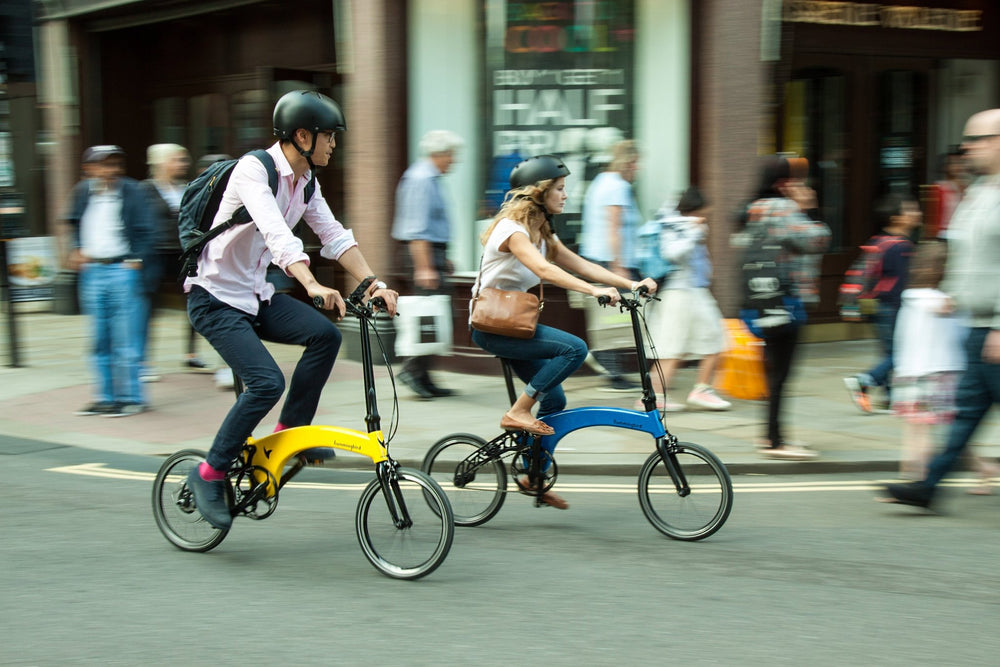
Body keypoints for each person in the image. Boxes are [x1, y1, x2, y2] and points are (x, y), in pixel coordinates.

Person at [183, 90, 399, 530]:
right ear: (302, 136)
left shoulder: (306, 182)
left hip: (255, 295)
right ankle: (209, 472)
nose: (334, 144)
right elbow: (277, 235)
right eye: (329, 136)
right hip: (215, 298)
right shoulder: (254, 169)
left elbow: (334, 235)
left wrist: (373, 283)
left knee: (325, 336)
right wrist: (312, 284)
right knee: (266, 382)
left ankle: (289, 435)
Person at [471, 154, 657, 510]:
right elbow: (543, 270)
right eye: (559, 188)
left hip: (514, 326)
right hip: (493, 327)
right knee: (573, 349)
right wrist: (592, 291)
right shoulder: (512, 229)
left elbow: (580, 264)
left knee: (555, 401)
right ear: (538, 192)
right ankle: (518, 412)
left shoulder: (542, 232)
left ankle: (533, 476)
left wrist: (630, 284)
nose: (566, 194)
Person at [882, 108, 1000, 508]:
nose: (966, 147)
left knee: (968, 412)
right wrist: (952, 293)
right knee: (966, 414)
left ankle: (927, 485)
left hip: (994, 329)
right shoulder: (979, 192)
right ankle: (927, 487)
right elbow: (969, 257)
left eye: (976, 139)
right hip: (975, 327)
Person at [742, 155, 831, 460]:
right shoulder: (783, 209)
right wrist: (810, 210)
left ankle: (770, 435)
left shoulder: (753, 209)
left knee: (774, 372)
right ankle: (775, 440)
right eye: (795, 179)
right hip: (785, 300)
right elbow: (817, 240)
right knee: (781, 373)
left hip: (759, 299)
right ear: (783, 182)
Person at [66, 145, 156, 418]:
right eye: (104, 164)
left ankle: (130, 398)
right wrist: (76, 248)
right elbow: (74, 222)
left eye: (115, 164)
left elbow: (147, 229)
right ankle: (105, 398)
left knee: (125, 338)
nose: (111, 170)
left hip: (122, 270)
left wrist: (136, 259)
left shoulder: (132, 191)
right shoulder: (83, 192)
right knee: (99, 338)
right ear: (89, 169)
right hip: (93, 271)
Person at [641, 185, 731, 412]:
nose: (705, 217)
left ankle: (698, 390)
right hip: (679, 293)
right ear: (694, 209)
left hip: (693, 291)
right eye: (702, 212)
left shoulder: (680, 223)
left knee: (711, 339)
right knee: (675, 347)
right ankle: (656, 397)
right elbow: (671, 253)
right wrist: (693, 232)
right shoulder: (677, 226)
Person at [391, 129, 464, 399]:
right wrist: (425, 267)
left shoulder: (430, 178)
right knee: (430, 317)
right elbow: (417, 230)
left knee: (439, 316)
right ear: (440, 153)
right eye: (452, 155)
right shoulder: (420, 179)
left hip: (433, 253)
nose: (454, 160)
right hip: (423, 255)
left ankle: (423, 375)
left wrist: (443, 258)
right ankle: (412, 371)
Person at [889, 241, 965, 479]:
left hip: (912, 373)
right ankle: (916, 480)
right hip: (935, 374)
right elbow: (950, 313)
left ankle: (914, 479)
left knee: (917, 430)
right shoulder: (936, 300)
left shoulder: (911, 298)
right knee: (936, 430)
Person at [843, 194, 921, 413]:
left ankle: (890, 397)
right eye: (910, 209)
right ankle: (865, 380)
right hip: (894, 307)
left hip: (877, 306)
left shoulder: (878, 241)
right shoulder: (902, 247)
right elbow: (902, 284)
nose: (917, 213)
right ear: (896, 218)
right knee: (902, 353)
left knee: (890, 352)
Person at [579, 139, 643, 392]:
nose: (638, 168)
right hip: (611, 261)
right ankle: (612, 372)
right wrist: (619, 266)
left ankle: (608, 366)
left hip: (597, 258)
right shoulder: (618, 187)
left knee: (609, 316)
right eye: (636, 162)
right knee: (615, 317)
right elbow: (613, 227)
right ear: (627, 162)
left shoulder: (600, 181)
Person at [140, 143, 202, 382]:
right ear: (160, 162)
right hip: (155, 255)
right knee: (148, 308)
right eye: (176, 159)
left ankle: (191, 354)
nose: (182, 164)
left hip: (182, 254)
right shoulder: (144, 190)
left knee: (195, 300)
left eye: (183, 159)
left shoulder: (186, 188)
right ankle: (143, 362)